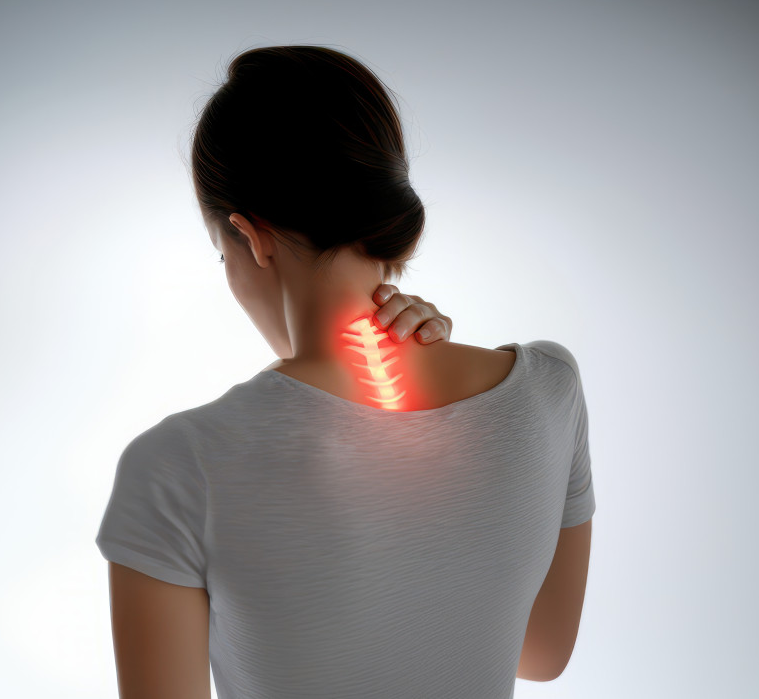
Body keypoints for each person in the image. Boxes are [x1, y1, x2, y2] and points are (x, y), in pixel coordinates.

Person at [96, 45, 595, 698]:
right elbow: (540, 650)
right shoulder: (550, 389)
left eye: (223, 255)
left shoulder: (178, 465)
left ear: (252, 237)